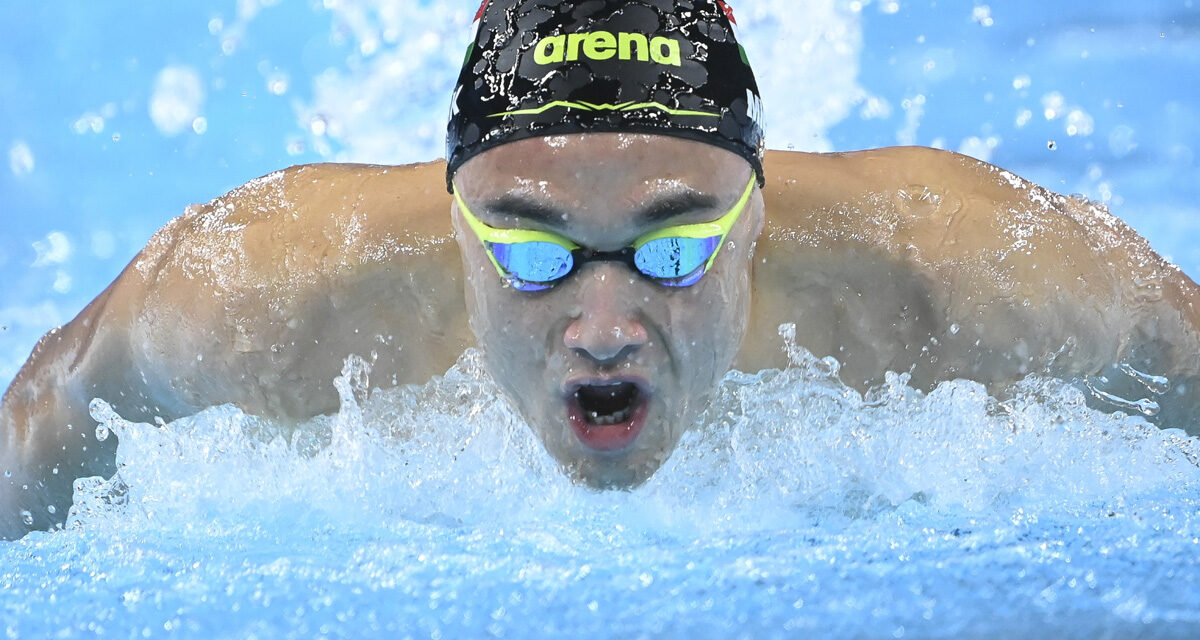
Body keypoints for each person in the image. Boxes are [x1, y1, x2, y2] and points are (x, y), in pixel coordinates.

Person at [3, 0, 1199, 539]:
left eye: (677, 245)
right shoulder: (263, 295)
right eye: (529, 251)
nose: (607, 324)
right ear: (451, 213)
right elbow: (48, 408)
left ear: (761, 209)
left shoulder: (963, 273)